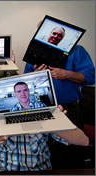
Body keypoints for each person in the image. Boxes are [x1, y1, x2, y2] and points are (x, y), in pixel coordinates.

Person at [24, 22, 95, 169]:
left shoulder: (77, 51)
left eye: (59, 35)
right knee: (46, 154)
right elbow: (25, 85)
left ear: (63, 38)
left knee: (74, 154)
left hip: (70, 111)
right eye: (53, 33)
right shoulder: (35, 53)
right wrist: (35, 76)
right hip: (42, 110)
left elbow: (90, 77)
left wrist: (66, 74)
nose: (55, 36)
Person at [0, 105, 89, 171]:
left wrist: (53, 123)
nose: (22, 96)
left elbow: (83, 141)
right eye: (18, 92)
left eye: (25, 91)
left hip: (41, 172)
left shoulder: (46, 115)